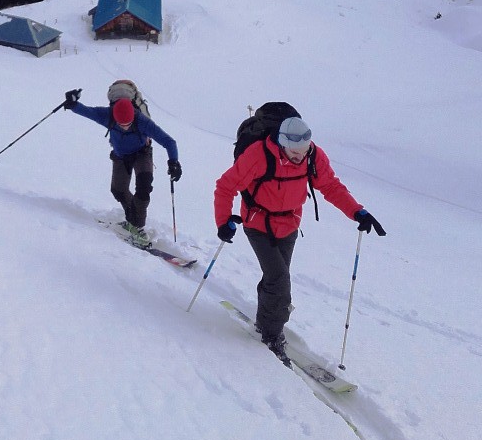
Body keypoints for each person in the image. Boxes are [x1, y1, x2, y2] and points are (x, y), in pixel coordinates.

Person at [214, 115, 385, 362]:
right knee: (279, 278)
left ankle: (264, 323)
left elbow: (331, 186)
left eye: (304, 151)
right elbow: (225, 186)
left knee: (275, 277)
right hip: (257, 223)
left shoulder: (313, 156)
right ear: (282, 143)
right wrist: (222, 221)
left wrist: (358, 212)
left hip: (290, 224)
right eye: (294, 152)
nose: (299, 157)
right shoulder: (258, 156)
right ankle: (273, 336)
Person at [64, 89, 182, 234]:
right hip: (121, 156)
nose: (125, 126)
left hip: (142, 154)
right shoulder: (108, 115)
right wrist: (73, 104)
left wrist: (174, 162)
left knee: (143, 188)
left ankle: (137, 227)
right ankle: (131, 217)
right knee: (118, 190)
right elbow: (89, 112)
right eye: (121, 124)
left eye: (128, 123)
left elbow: (168, 141)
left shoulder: (142, 121)